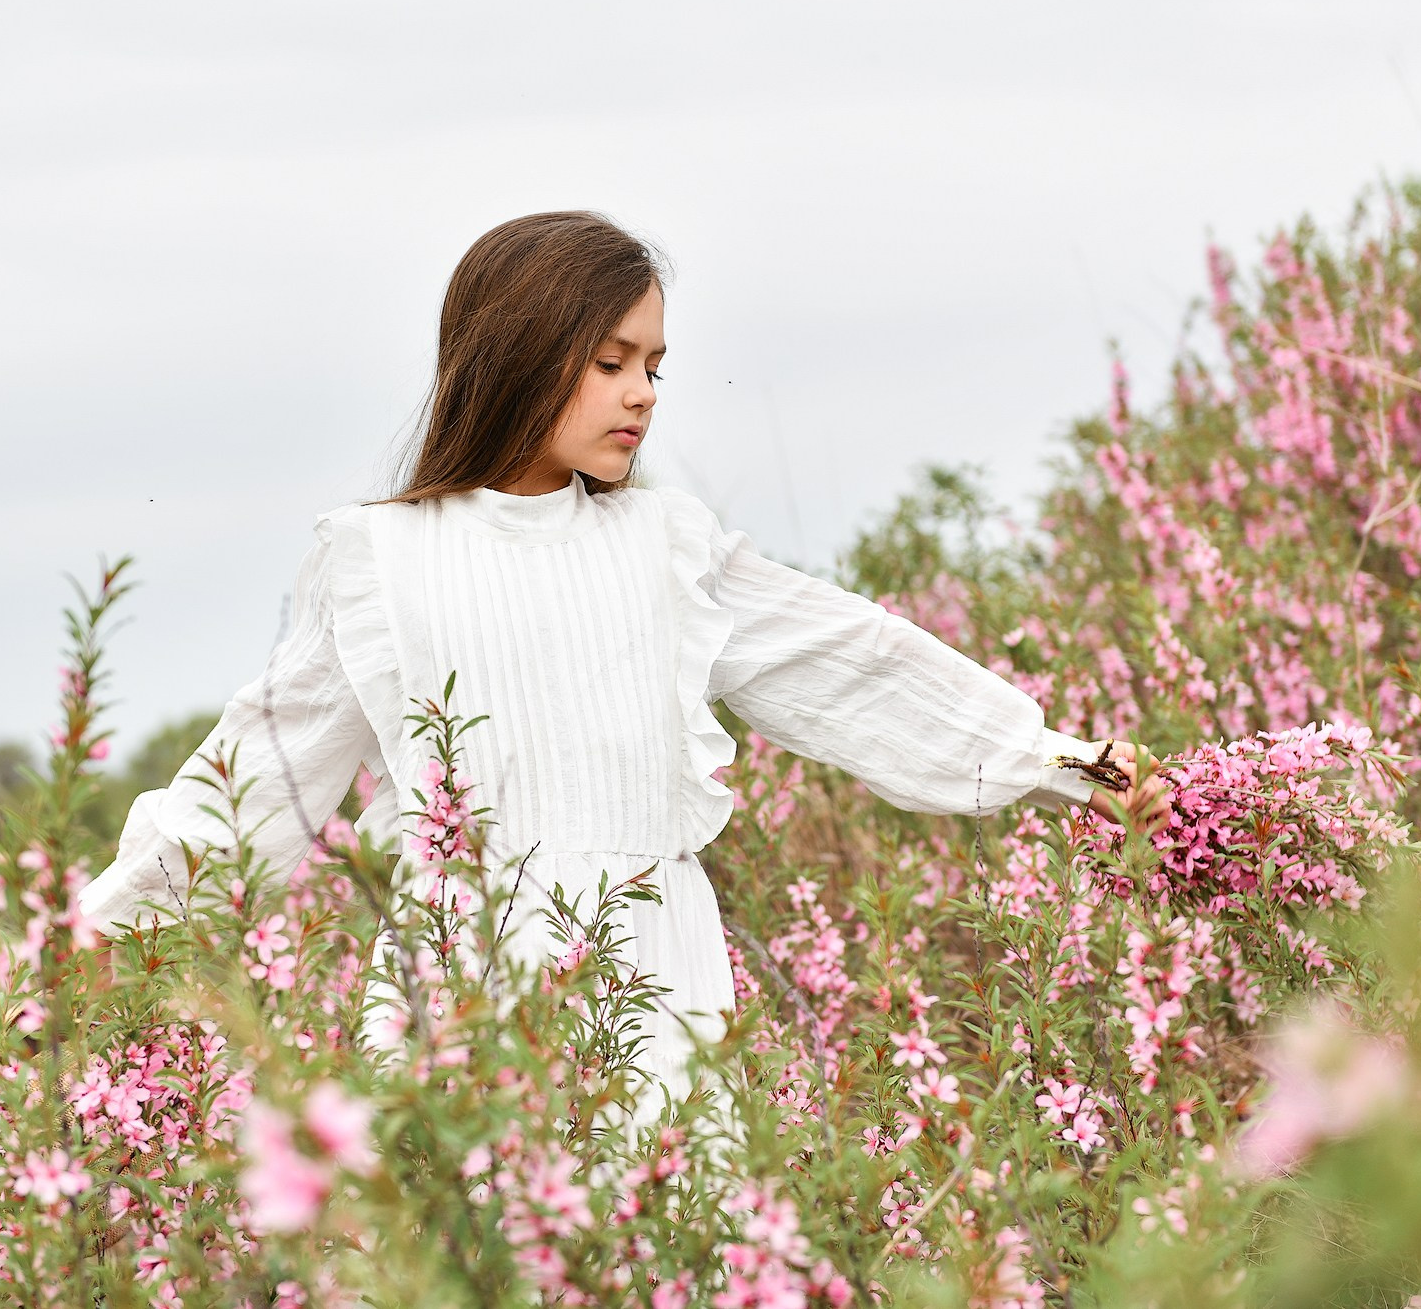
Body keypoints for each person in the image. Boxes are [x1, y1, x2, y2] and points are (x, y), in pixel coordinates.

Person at [77, 210, 1172, 1108]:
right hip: (459, 998)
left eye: (652, 364)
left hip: (658, 987)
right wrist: (99, 934)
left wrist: (1062, 762)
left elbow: (849, 662)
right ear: (514, 354)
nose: (643, 391)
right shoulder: (380, 558)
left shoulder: (668, 543)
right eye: (609, 362)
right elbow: (262, 772)